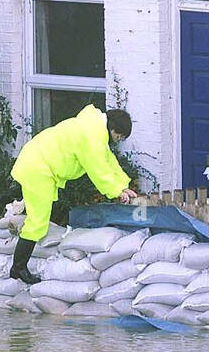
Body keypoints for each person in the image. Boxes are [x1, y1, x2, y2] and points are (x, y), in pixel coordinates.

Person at [8, 104, 137, 284]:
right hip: (38, 168)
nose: (117, 140)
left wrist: (123, 185)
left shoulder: (94, 128)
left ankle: (18, 267)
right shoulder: (91, 135)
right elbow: (98, 169)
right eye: (119, 136)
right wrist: (116, 191)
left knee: (38, 219)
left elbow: (108, 160)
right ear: (113, 128)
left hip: (39, 164)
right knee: (37, 222)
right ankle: (18, 268)